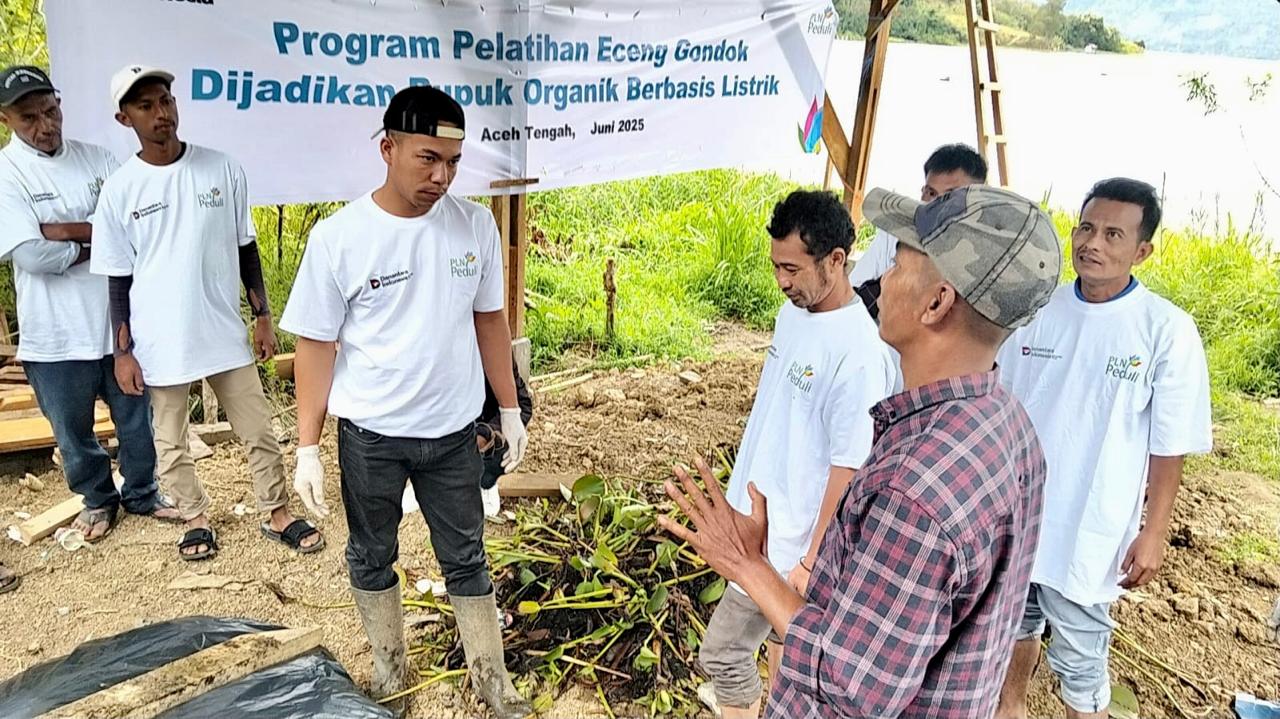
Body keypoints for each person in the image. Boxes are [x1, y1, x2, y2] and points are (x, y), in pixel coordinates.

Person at [659, 184, 1061, 718]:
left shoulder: (916, 489)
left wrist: (747, 564)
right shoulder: (1009, 428)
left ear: (937, 303)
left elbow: (849, 682)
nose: (881, 279)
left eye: (898, 264)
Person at [281, 85, 531, 718]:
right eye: (428, 159)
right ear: (387, 149)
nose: (441, 177)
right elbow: (316, 346)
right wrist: (307, 446)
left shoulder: (474, 226)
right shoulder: (340, 238)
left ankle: (493, 683)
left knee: (466, 555)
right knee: (372, 553)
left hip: (452, 435)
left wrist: (508, 409)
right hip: (372, 436)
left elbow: (490, 322)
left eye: (453, 162)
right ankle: (390, 672)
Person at [994, 178, 1213, 719]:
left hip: (1089, 531)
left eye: (1113, 234)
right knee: (1011, 635)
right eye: (1086, 228)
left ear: (1143, 251)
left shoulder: (1165, 330)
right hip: (1017, 517)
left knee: (1081, 664)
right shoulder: (1035, 310)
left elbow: (1170, 446)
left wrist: (1154, 532)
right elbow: (1000, 402)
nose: (1093, 243)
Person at [90, 65, 322, 561]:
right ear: (124, 118)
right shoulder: (120, 190)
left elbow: (246, 246)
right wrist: (122, 352)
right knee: (170, 441)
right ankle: (194, 518)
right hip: (160, 341)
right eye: (146, 106)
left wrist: (262, 316)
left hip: (222, 333)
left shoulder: (221, 169)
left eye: (166, 100)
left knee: (258, 429)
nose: (161, 113)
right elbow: (117, 278)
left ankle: (277, 512)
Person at [696, 190, 898, 719]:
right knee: (786, 653)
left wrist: (811, 559)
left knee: (723, 654)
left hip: (789, 543)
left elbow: (849, 467)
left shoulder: (859, 352)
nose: (782, 281)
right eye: (776, 267)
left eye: (792, 269)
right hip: (757, 525)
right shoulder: (794, 314)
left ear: (836, 260)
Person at [0, 65, 180, 541]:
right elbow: (32, 255)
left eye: (51, 111)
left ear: (60, 105)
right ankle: (98, 499)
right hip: (54, 335)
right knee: (73, 430)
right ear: (5, 119)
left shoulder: (97, 159)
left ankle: (142, 491)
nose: (45, 126)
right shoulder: (6, 174)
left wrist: (61, 230)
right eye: (29, 118)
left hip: (116, 324)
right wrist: (97, 243)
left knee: (136, 420)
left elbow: (135, 227)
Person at [849, 143, 987, 321]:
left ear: (976, 200)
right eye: (931, 193)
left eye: (950, 198)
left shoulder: (988, 256)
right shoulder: (893, 235)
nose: (937, 206)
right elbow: (854, 299)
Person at [475, 361, 533, 517]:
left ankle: (485, 483)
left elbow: (523, 405)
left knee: (507, 438)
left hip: (483, 426)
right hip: (442, 432)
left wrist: (487, 434)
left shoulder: (493, 354)